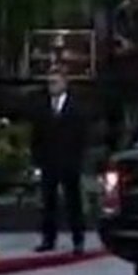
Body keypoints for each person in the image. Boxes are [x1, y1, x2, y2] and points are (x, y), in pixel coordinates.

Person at [31, 69, 88, 254]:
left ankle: (78, 240)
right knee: (49, 203)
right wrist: (37, 160)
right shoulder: (42, 106)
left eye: (55, 82)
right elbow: (37, 135)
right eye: (49, 83)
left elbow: (82, 136)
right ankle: (48, 239)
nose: (51, 86)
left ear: (64, 84)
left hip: (69, 162)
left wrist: (78, 159)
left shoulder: (76, 107)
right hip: (49, 162)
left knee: (73, 202)